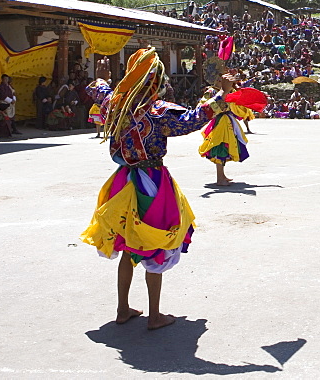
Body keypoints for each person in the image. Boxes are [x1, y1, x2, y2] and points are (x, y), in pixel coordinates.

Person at [80, 50, 235, 331]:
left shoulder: (116, 105)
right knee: (155, 244)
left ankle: (123, 308)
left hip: (122, 181)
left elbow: (101, 92)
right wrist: (222, 94)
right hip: (151, 181)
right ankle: (154, 315)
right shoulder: (158, 111)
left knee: (128, 243)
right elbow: (193, 119)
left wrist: (101, 79)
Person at [199, 71, 253, 187]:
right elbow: (202, 106)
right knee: (220, 148)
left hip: (227, 122)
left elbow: (236, 104)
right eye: (220, 80)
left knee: (226, 147)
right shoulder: (211, 92)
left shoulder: (228, 91)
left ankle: (222, 175)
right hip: (219, 123)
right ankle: (219, 178)